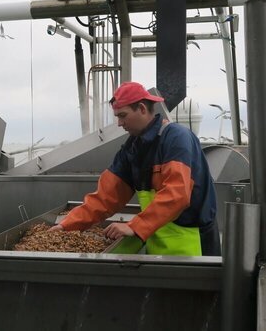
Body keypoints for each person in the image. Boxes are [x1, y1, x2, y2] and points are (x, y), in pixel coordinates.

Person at [50, 82, 220, 256]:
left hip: (193, 244)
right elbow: (105, 198)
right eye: (117, 117)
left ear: (142, 109)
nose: (119, 123)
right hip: (158, 241)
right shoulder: (133, 149)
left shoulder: (176, 138)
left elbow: (177, 195)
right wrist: (66, 225)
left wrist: (135, 226)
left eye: (123, 115)